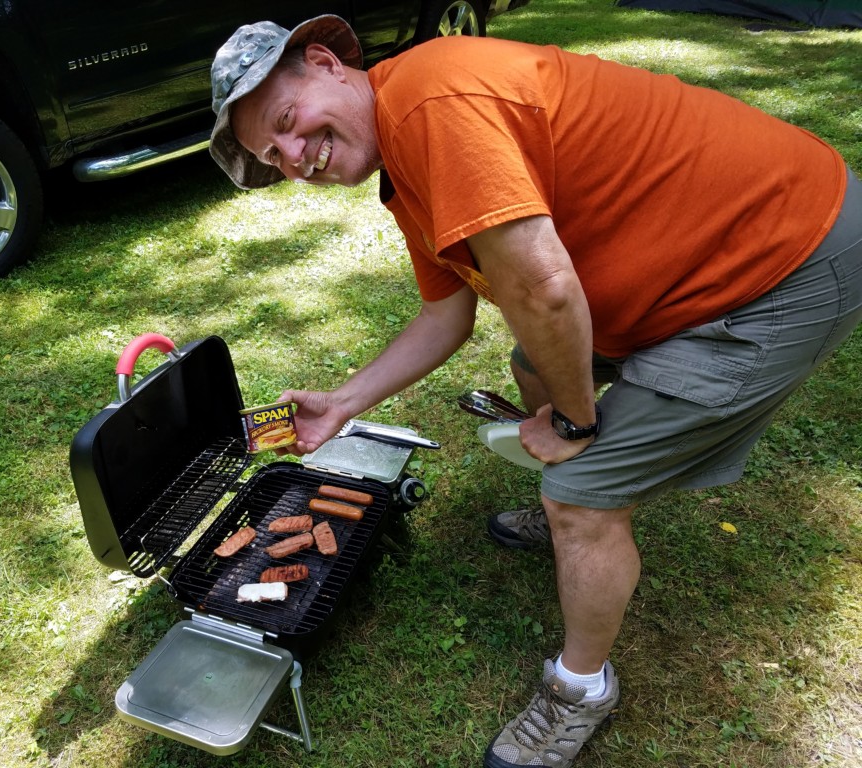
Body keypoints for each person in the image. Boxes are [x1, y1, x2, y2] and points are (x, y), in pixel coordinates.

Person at [208, 15, 862, 768]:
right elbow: (444, 315)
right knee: (531, 367)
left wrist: (580, 425)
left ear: (323, 62)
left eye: (287, 123)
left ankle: (580, 686)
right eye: (274, 155)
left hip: (783, 259)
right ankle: (586, 499)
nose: (295, 156)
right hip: (720, 244)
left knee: (580, 497)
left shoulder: (430, 104)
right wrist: (344, 402)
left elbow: (546, 290)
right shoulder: (406, 159)